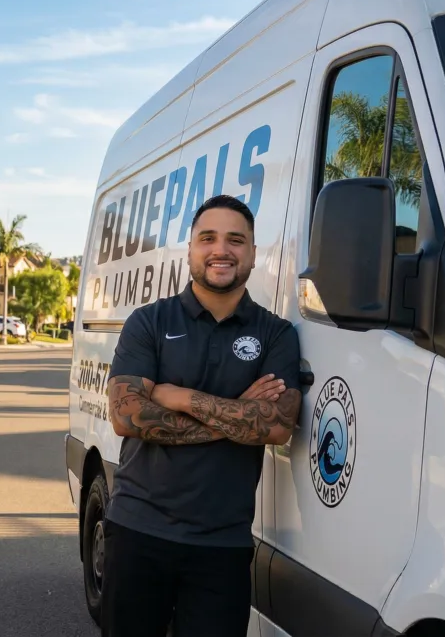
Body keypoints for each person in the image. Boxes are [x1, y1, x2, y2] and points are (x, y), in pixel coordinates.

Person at [100, 195, 303, 636]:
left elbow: (274, 426)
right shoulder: (149, 322)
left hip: (222, 543)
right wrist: (237, 413)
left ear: (252, 253)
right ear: (190, 249)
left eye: (236, 240)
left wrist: (180, 396)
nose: (221, 250)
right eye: (207, 238)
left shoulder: (276, 333)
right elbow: (128, 417)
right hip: (138, 530)